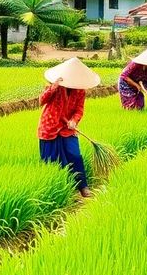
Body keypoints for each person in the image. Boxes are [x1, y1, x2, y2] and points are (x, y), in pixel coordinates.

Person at [38, 57, 101, 198]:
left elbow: (79, 109)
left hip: (67, 128)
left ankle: (82, 187)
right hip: (50, 126)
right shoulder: (54, 86)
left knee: (75, 155)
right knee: (51, 160)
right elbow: (41, 100)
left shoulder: (80, 91)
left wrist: (74, 120)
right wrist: (53, 88)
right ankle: (55, 190)